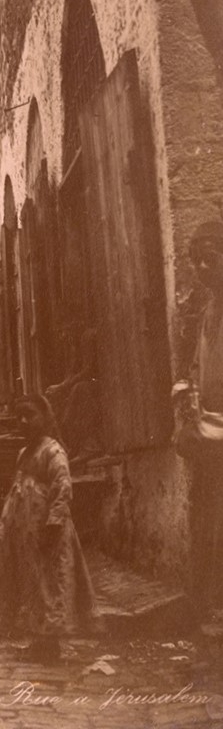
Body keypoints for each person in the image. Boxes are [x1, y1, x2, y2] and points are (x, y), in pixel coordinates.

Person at [0, 394, 96, 662]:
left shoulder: (53, 451)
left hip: (48, 532)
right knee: (32, 585)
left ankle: (50, 644)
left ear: (45, 419)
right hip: (25, 533)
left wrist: (54, 523)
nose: (24, 421)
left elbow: (63, 489)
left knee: (50, 586)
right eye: (19, 417)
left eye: (30, 415)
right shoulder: (24, 453)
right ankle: (38, 639)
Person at [173, 221, 223, 617]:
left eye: (211, 259)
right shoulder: (209, 310)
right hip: (211, 437)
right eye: (197, 262)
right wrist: (187, 390)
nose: (203, 268)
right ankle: (208, 605)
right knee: (208, 520)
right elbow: (197, 365)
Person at [45, 326, 104, 462]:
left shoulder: (87, 336)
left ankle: (90, 446)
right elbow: (71, 373)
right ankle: (70, 447)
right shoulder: (72, 344)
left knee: (80, 390)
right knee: (56, 398)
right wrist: (59, 387)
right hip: (85, 384)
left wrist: (63, 386)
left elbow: (88, 371)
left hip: (100, 384)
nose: (63, 335)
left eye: (64, 330)